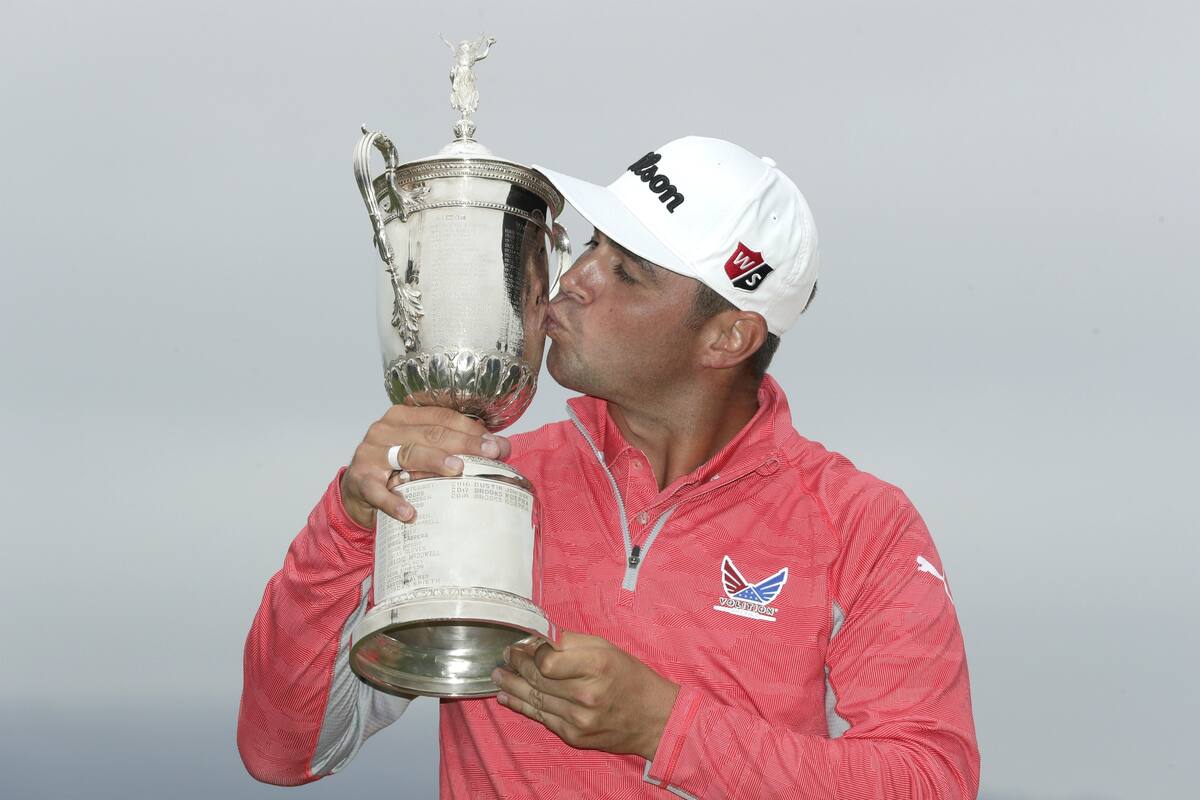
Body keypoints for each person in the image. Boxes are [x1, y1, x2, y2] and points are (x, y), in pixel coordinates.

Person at [237, 136, 980, 798]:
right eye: (591, 246)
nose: (574, 279)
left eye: (626, 271)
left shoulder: (859, 524)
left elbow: (929, 779)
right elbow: (283, 753)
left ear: (728, 337)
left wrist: (666, 729)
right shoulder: (481, 478)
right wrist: (347, 521)